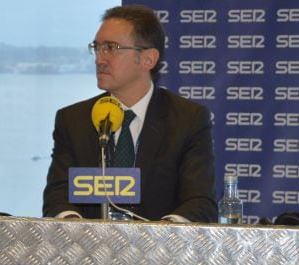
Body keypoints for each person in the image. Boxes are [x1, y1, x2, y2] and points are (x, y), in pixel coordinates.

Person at [43, 5, 217, 222]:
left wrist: (162, 235)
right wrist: (74, 228)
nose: (99, 59)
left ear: (148, 59)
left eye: (111, 47)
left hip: (160, 251)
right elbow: (57, 194)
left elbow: (200, 201)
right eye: (97, 47)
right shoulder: (73, 120)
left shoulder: (188, 120)